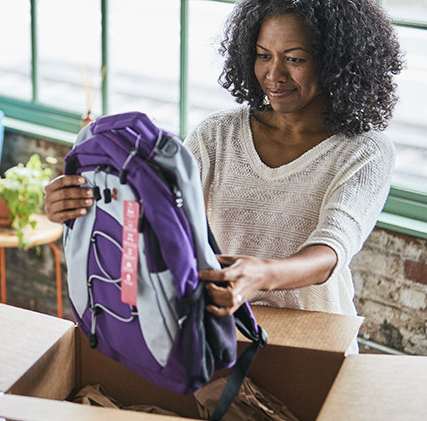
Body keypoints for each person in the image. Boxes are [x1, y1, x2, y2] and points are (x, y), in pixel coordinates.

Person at [44, 0, 403, 355]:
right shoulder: (217, 134)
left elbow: (331, 249)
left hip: (313, 339)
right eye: (263, 55)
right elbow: (157, 212)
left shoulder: (365, 151)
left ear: (336, 64)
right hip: (220, 336)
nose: (274, 74)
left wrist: (259, 275)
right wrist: (80, 205)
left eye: (295, 59)